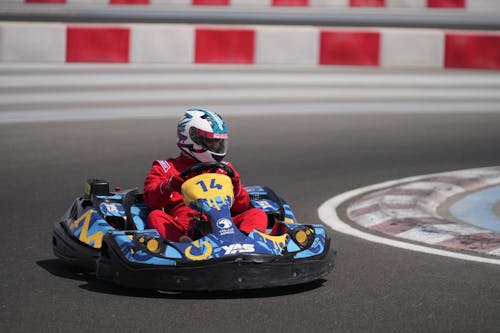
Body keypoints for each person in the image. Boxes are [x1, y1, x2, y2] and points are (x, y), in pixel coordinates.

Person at [143, 108, 268, 242]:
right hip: (184, 226)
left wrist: (236, 187)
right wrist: (170, 185)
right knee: (155, 216)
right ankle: (183, 245)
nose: (216, 147)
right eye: (211, 142)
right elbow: (151, 201)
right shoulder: (165, 167)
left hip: (224, 224)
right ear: (192, 138)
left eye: (218, 142)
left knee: (257, 214)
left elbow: (241, 206)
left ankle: (251, 241)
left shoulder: (224, 169)